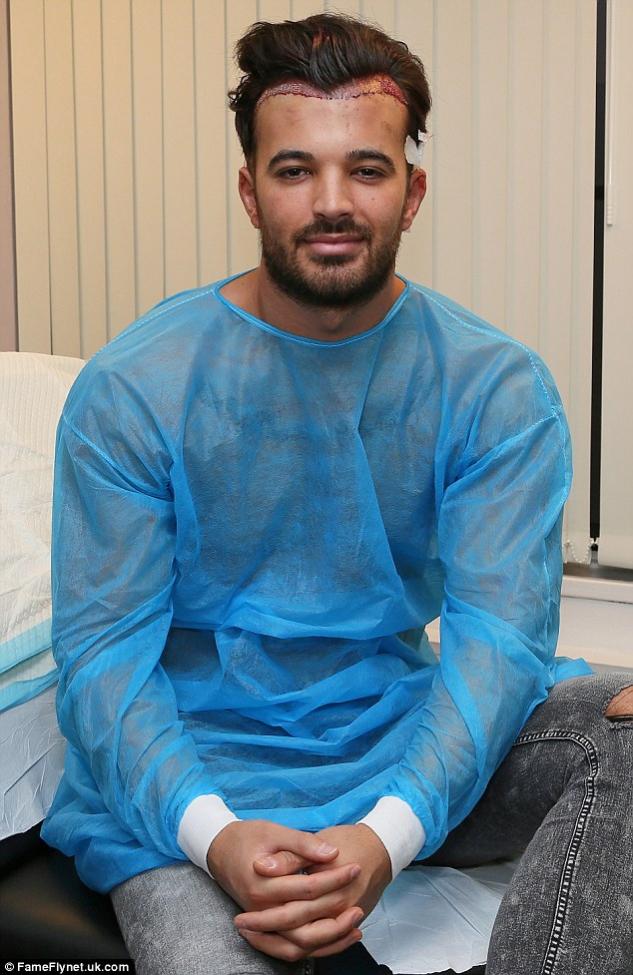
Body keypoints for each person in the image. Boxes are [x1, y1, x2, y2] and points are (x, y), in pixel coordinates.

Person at [41, 13, 633, 975]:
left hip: (403, 738)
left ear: (411, 193)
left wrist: (388, 834)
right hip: (199, 776)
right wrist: (215, 838)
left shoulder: (494, 387)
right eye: (293, 170)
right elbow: (103, 659)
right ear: (249, 190)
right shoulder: (136, 386)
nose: (331, 202)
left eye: (365, 169)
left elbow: (498, 643)